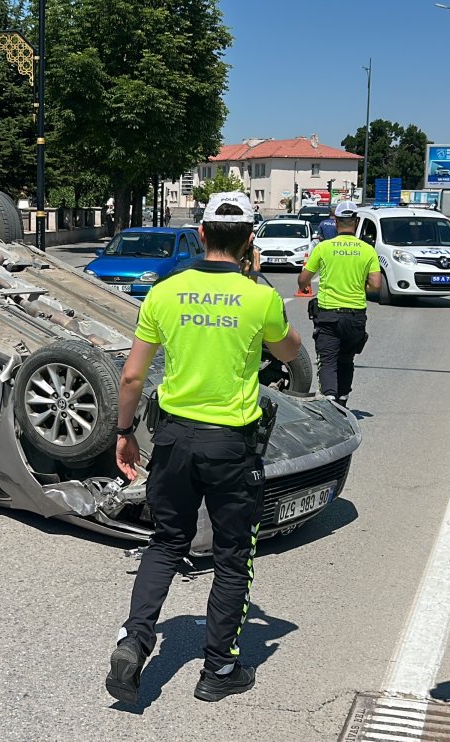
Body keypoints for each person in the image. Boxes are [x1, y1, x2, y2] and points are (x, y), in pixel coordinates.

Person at [105, 192, 302, 705]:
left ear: (200, 235)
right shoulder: (259, 298)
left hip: (173, 439)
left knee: (167, 543)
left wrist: (124, 433)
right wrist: (252, 280)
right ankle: (219, 669)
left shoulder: (165, 293)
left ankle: (134, 641)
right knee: (233, 556)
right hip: (230, 445)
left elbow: (131, 375)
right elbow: (291, 352)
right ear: (249, 242)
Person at [297, 201, 381, 407]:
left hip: (329, 315)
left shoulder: (323, 247)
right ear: (357, 221)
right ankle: (342, 400)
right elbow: (376, 285)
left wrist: (307, 283)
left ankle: (330, 400)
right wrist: (359, 288)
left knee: (327, 361)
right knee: (346, 360)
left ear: (335, 222)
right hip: (355, 316)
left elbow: (303, 280)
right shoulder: (367, 250)